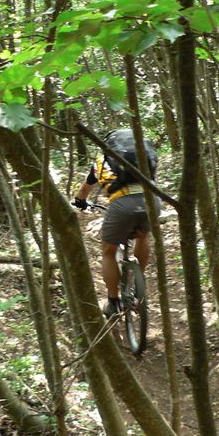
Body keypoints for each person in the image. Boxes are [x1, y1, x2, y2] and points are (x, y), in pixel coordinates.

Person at [72, 129, 158, 318]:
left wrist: (80, 201)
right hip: (151, 201)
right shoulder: (143, 156)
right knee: (143, 236)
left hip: (122, 205)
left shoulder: (102, 161)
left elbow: (85, 189)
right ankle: (138, 284)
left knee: (109, 251)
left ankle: (113, 302)